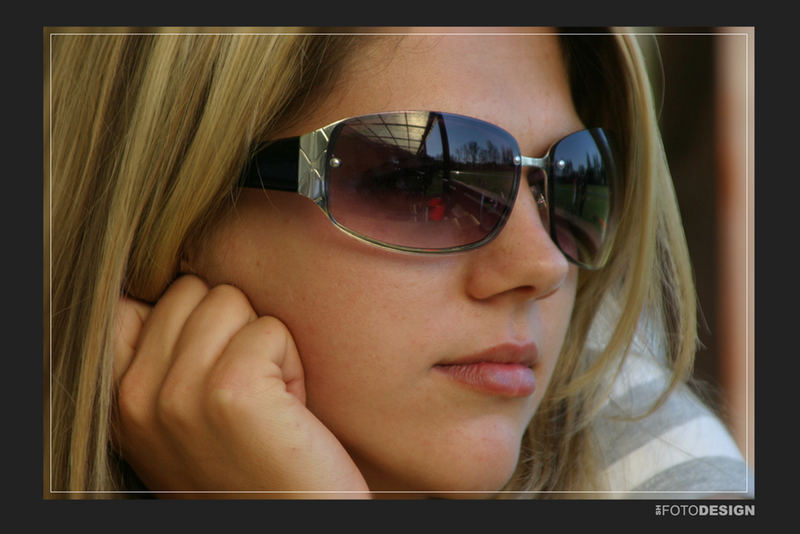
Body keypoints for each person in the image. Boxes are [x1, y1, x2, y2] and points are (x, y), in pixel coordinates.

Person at [46, 27, 751, 498]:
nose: (545, 264)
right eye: (425, 179)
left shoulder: (654, 472)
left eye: (568, 180)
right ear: (176, 206)